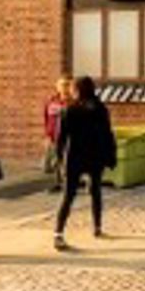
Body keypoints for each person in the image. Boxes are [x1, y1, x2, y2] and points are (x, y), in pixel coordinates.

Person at [54, 75, 117, 250]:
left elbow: (61, 139)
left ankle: (58, 233)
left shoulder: (69, 110)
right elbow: (107, 134)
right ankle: (97, 227)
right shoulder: (101, 109)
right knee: (95, 191)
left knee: (68, 195)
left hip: (74, 157)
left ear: (77, 90)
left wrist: (59, 159)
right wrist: (111, 156)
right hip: (95, 156)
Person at [44, 76, 74, 192]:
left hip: (71, 136)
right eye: (62, 85)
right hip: (54, 136)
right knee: (57, 160)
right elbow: (47, 119)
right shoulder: (51, 101)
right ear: (57, 87)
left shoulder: (74, 102)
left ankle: (70, 183)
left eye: (67, 85)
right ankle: (58, 183)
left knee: (69, 160)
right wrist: (47, 135)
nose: (64, 88)